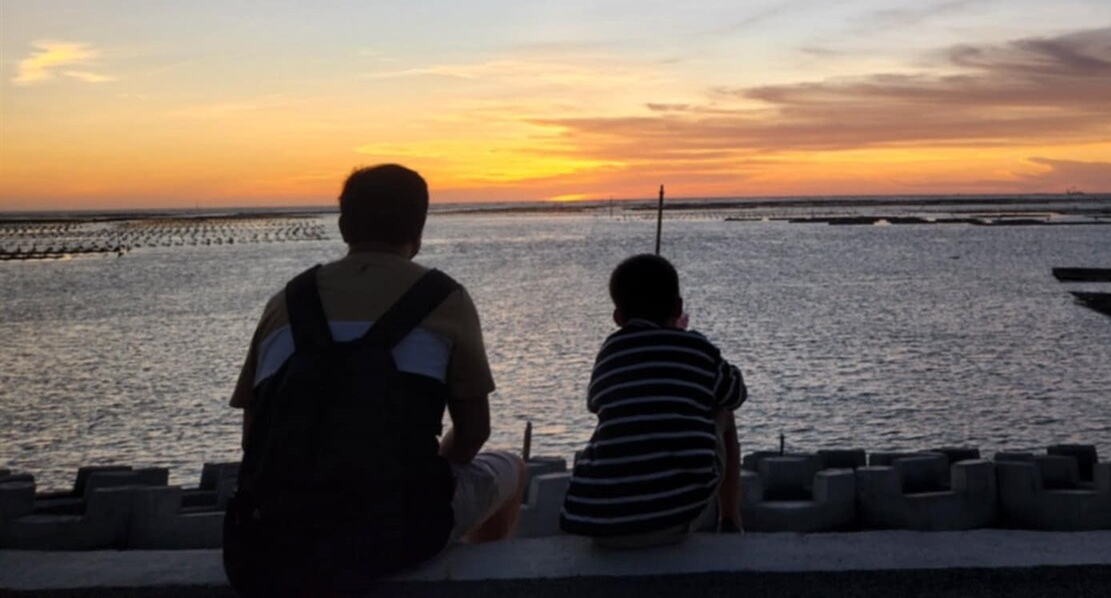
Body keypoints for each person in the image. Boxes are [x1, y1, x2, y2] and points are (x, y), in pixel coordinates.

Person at [225, 164, 524, 595]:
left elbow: (254, 436)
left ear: (344, 225)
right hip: (398, 535)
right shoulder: (445, 299)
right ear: (418, 231)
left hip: (269, 539)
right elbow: (475, 433)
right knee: (510, 467)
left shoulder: (285, 302)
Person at [560, 253, 746, 545]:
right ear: (678, 307)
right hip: (673, 517)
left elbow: (595, 402)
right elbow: (737, 393)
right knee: (722, 405)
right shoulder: (696, 348)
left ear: (618, 318)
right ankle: (730, 520)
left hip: (599, 523)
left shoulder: (610, 351)